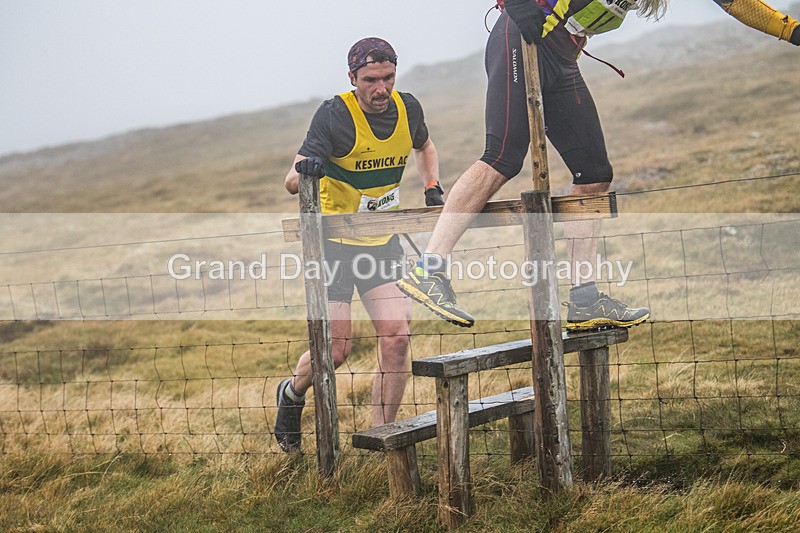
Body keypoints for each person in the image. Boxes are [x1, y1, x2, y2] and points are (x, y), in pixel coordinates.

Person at [397, 0, 799, 330]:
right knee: (503, 155)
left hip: (562, 53)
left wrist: (791, 30)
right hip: (520, 36)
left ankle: (585, 299)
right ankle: (429, 270)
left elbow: (738, 3)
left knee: (594, 175)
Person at [275, 37, 444, 452]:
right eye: (370, 80)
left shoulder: (408, 108)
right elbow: (291, 181)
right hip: (332, 245)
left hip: (381, 243)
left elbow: (423, 145)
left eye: (387, 78)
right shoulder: (335, 115)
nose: (381, 88)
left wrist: (432, 185)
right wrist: (308, 171)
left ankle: (381, 438)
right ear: (353, 79)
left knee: (397, 337)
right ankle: (292, 394)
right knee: (335, 350)